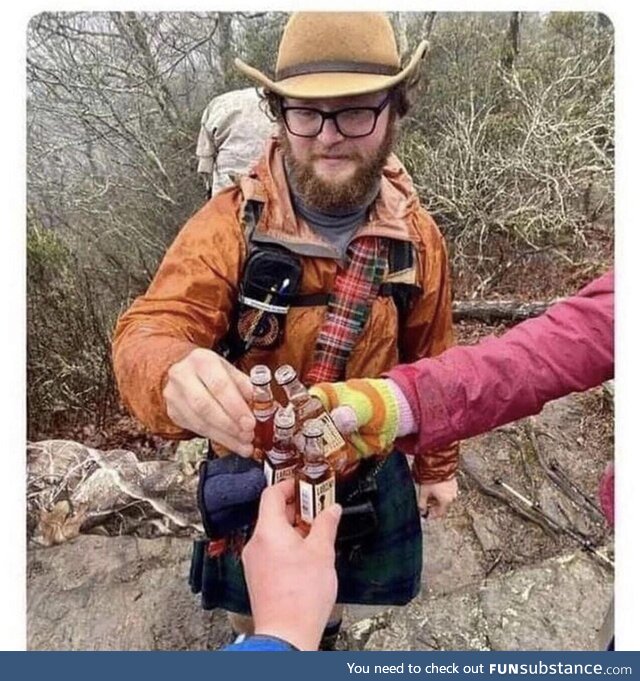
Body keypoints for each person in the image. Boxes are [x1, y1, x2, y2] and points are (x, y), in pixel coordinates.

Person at [112, 11, 458, 647]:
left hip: (364, 469)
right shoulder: (228, 226)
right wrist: (169, 371)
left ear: (394, 111)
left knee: (328, 607)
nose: (328, 136)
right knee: (250, 614)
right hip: (258, 474)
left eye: (355, 111)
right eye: (306, 113)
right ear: (279, 114)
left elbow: (433, 356)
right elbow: (152, 324)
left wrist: (436, 465)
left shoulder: (417, 240)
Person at [228, 270, 613, 652]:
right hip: (277, 464)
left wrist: (438, 465)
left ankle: (320, 639)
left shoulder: (413, 233)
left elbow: (433, 340)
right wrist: (396, 404)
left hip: (374, 464)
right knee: (251, 589)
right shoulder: (234, 220)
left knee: (329, 574)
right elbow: (548, 350)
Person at [223, 479, 342, 651]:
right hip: (245, 479)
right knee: (241, 601)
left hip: (356, 473)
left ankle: (326, 641)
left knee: (335, 576)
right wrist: (284, 634)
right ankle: (247, 637)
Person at [196, 87, 275, 198]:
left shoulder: (218, 104)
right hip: (273, 192)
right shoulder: (282, 104)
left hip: (226, 194)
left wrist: (209, 190)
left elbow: (205, 166)